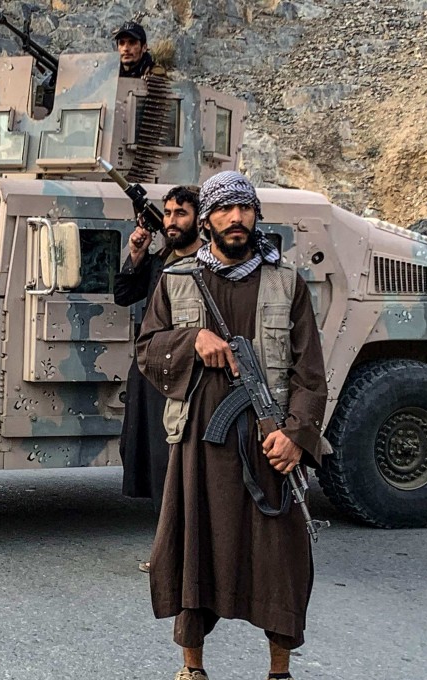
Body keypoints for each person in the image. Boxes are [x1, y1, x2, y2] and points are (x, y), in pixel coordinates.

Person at [137, 172, 328, 680]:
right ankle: (192, 668)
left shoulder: (286, 281)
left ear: (256, 216)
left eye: (245, 209)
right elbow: (146, 350)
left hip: (270, 442)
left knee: (280, 560)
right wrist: (190, 341)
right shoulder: (176, 280)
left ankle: (279, 670)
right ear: (208, 219)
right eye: (225, 210)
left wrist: (296, 436)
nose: (236, 218)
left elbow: (311, 373)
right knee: (192, 551)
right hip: (201, 442)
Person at [115, 186, 200, 573]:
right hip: (152, 373)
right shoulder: (162, 260)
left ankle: (182, 553)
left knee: (182, 463)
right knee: (155, 462)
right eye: (167, 213)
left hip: (189, 376)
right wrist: (136, 252)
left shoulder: (206, 264)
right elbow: (123, 294)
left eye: (181, 213)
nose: (171, 221)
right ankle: (170, 547)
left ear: (200, 217)